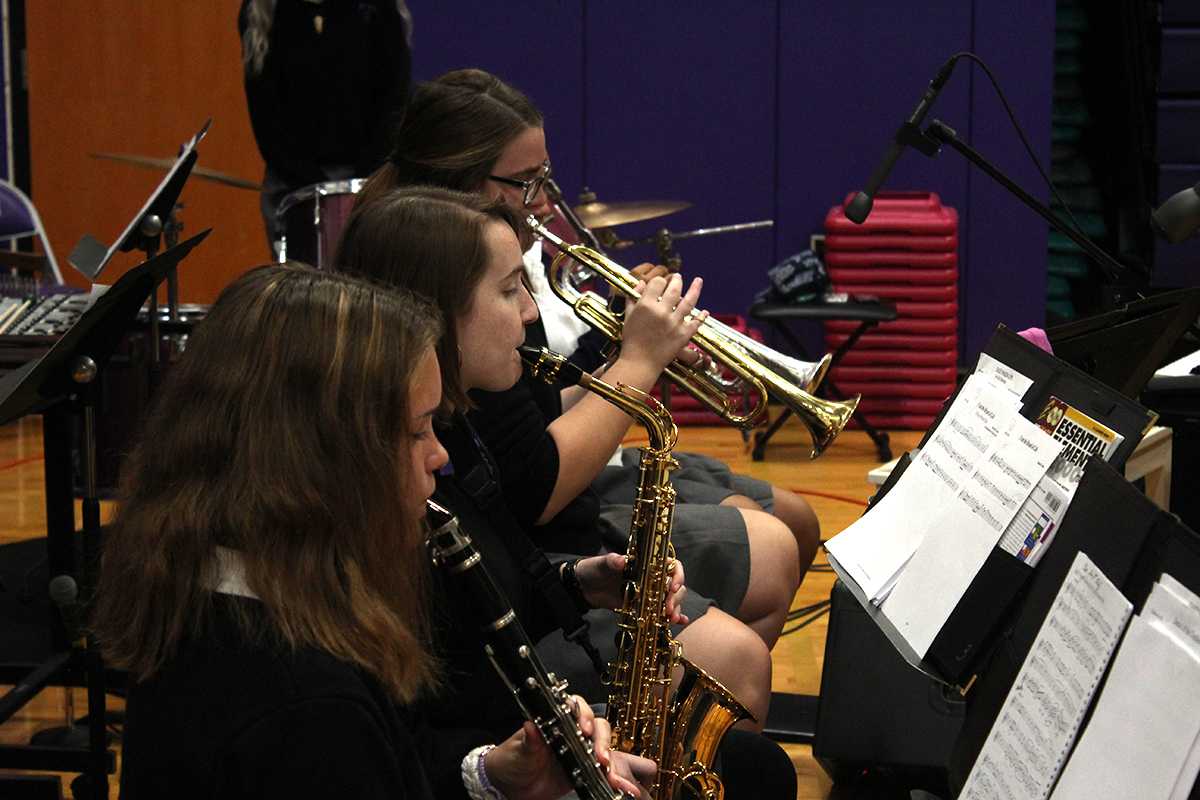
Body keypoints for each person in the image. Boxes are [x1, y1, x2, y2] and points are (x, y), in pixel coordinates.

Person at [91, 264, 652, 799]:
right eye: (418, 431)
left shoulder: (218, 582)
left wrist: (490, 774)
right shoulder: (306, 708)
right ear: (325, 460)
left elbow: (398, 754)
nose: (439, 456)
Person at [336, 186, 798, 799]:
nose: (530, 312)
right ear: (434, 311)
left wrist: (579, 582)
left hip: (514, 703)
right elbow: (423, 709)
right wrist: (497, 766)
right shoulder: (395, 471)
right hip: (488, 738)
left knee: (756, 764)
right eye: (508, 290)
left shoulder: (458, 422)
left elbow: (494, 576)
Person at [358, 67, 820, 655]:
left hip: (558, 531)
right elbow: (537, 488)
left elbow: (541, 404)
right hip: (536, 554)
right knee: (768, 561)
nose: (546, 202)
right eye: (527, 182)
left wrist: (619, 342)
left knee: (792, 523)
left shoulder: (481, 270)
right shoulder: (450, 294)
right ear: (458, 183)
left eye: (544, 178)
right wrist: (638, 362)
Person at [239, 0, 413, 254]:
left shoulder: (378, 7)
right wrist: (314, 188)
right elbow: (266, 115)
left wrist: (363, 183)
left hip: (371, 176)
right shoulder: (261, 9)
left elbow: (394, 101)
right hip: (291, 181)